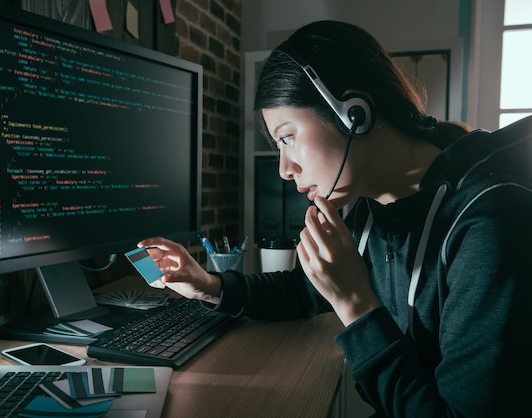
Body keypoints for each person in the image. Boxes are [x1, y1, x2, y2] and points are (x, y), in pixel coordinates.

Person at [139, 20, 532, 417]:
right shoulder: (370, 209)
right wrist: (208, 284)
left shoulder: (490, 224)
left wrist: (353, 302)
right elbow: (304, 290)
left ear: (354, 114)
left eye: (288, 137)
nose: (284, 168)